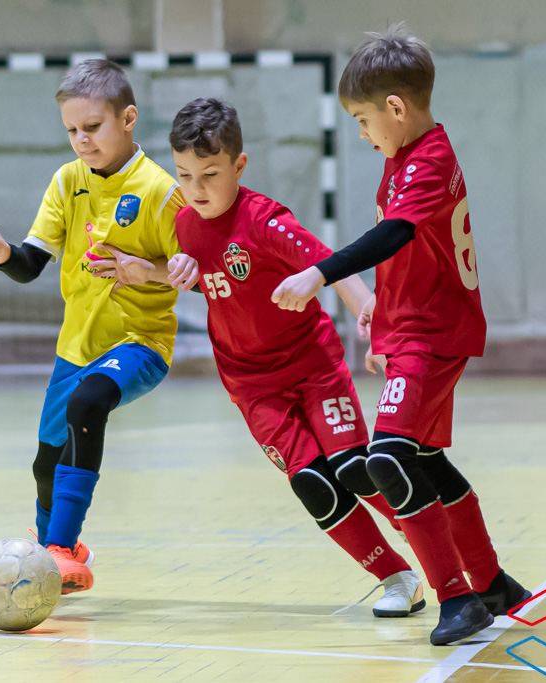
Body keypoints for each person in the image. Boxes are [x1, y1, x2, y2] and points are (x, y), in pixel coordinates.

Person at [271, 25, 531, 645]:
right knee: (425, 461)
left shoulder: (429, 160)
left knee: (386, 458)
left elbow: (393, 236)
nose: (362, 134)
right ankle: (493, 584)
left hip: (435, 334)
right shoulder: (402, 159)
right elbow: (414, 258)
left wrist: (319, 272)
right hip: (415, 330)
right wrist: (381, 321)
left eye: (364, 120)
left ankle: (458, 599)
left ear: (395, 107)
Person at [166, 97, 425, 618]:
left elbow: (328, 264)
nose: (196, 188)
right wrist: (172, 269)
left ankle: (429, 533)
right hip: (251, 386)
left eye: (210, 174)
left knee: (354, 468)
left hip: (313, 368)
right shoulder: (185, 224)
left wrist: (368, 316)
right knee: (314, 485)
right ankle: (397, 578)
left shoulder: (265, 220)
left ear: (239, 166)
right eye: (184, 175)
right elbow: (211, 278)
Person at [0, 59, 199, 595]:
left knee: (88, 404)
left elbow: (194, 276)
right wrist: (2, 254)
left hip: (140, 342)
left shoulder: (162, 192)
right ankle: (53, 555)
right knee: (46, 463)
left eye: (92, 126)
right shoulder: (67, 181)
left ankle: (62, 550)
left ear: (128, 118)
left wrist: (150, 270)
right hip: (75, 347)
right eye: (71, 129)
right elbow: (31, 264)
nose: (81, 140)